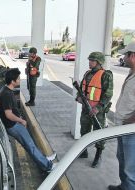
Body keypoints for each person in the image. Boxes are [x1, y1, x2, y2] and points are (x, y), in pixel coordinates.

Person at [0, 68, 57, 173]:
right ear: (12, 81)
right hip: (13, 125)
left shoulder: (6, 90)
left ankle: (44, 159)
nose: (20, 80)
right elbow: (8, 115)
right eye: (18, 78)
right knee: (30, 146)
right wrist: (21, 120)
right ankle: (48, 167)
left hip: (14, 124)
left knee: (30, 144)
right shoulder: (6, 94)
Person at [76, 52, 113, 168]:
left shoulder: (106, 75)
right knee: (84, 130)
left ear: (99, 62)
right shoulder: (87, 73)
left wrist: (98, 108)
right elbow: (82, 88)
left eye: (92, 60)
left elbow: (108, 94)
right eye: (90, 60)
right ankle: (84, 151)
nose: (90, 62)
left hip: (98, 112)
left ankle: (98, 154)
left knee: (99, 133)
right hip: (86, 109)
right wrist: (78, 97)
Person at [108, 41, 135, 190]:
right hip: (123, 127)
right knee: (122, 160)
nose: (123, 57)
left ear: (132, 56)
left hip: (131, 130)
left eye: (125, 54)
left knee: (131, 170)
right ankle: (124, 187)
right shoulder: (132, 73)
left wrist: (129, 121)